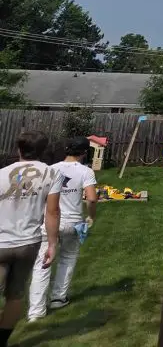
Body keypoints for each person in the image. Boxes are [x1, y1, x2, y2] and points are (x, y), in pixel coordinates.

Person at [27, 136, 97, 321]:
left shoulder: (50, 169)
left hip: (49, 221)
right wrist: (91, 216)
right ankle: (58, 298)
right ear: (84, 152)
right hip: (73, 222)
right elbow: (91, 198)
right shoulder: (85, 171)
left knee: (42, 264)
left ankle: (36, 311)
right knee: (67, 258)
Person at [0, 131, 60, 345]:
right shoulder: (51, 174)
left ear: (18, 149)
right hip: (29, 243)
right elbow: (52, 212)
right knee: (15, 295)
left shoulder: (1, 173)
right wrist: (52, 244)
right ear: (44, 151)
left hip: (1, 241)